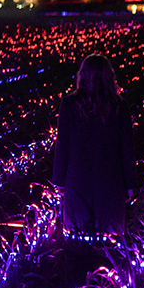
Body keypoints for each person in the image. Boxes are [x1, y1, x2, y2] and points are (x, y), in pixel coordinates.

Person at [52, 54, 135, 244]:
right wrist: (130, 185)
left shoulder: (69, 104)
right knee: (108, 240)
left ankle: (80, 270)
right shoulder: (119, 106)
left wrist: (59, 181)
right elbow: (126, 149)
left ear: (82, 75)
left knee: (78, 239)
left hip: (77, 179)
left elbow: (62, 145)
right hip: (111, 180)